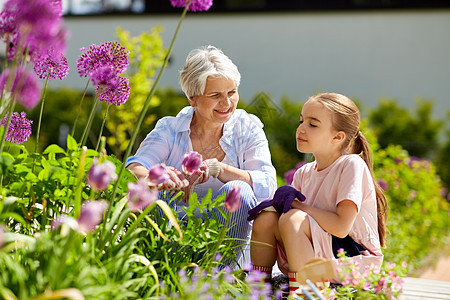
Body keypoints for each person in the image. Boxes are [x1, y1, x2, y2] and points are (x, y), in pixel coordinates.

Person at [126, 45, 277, 266]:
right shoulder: (170, 128)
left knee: (240, 189)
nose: (226, 103)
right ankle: (162, 267)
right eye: (215, 95)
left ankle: (221, 276)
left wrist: (220, 169)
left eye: (232, 92)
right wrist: (158, 175)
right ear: (192, 99)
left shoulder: (247, 128)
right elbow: (133, 168)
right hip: (175, 230)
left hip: (223, 238)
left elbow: (268, 184)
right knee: (150, 188)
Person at [249, 92, 388, 294]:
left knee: (293, 219)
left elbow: (341, 227)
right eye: (301, 120)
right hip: (319, 254)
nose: (301, 129)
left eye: (313, 125)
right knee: (266, 218)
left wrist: (298, 205)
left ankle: (305, 293)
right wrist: (277, 205)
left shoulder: (351, 165)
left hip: (351, 259)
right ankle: (258, 289)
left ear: (338, 137)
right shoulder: (304, 173)